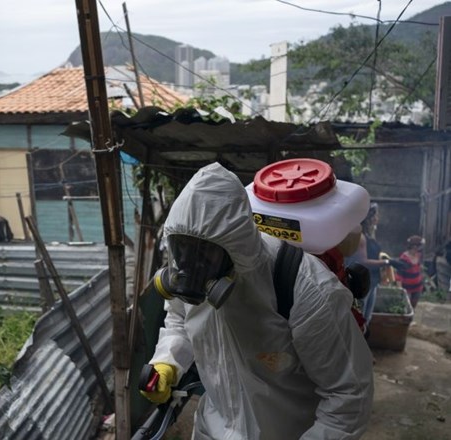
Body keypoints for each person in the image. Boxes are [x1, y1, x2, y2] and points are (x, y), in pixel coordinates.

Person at [142, 163, 373, 439]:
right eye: (182, 251)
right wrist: (169, 360)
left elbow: (348, 395)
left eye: (205, 255)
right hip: (211, 428)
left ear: (237, 248)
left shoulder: (307, 290)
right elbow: (179, 317)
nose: (191, 268)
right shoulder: (191, 277)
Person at [346, 203, 392, 326]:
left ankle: (362, 341)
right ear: (370, 218)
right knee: (358, 317)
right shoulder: (360, 237)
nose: (378, 218)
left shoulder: (369, 234)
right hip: (362, 283)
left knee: (366, 317)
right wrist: (387, 262)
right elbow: (363, 262)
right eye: (376, 215)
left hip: (372, 281)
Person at [394, 235, 426, 309]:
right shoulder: (404, 259)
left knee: (413, 307)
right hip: (406, 288)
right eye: (419, 246)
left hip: (418, 287)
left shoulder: (419, 255)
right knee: (406, 307)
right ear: (414, 247)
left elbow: (419, 269)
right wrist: (400, 290)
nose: (420, 249)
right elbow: (399, 276)